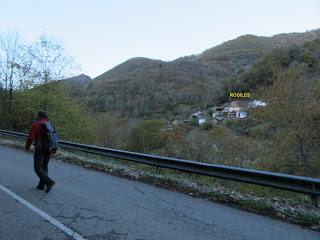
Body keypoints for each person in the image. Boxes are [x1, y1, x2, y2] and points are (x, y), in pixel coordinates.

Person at [25, 110, 56, 193]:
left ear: (39, 116)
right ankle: (41, 185)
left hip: (40, 148)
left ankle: (49, 182)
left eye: (37, 115)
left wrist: (27, 147)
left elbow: (31, 137)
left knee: (37, 168)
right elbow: (54, 136)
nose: (36, 116)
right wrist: (54, 148)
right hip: (49, 148)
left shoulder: (37, 124)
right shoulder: (50, 124)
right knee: (44, 166)